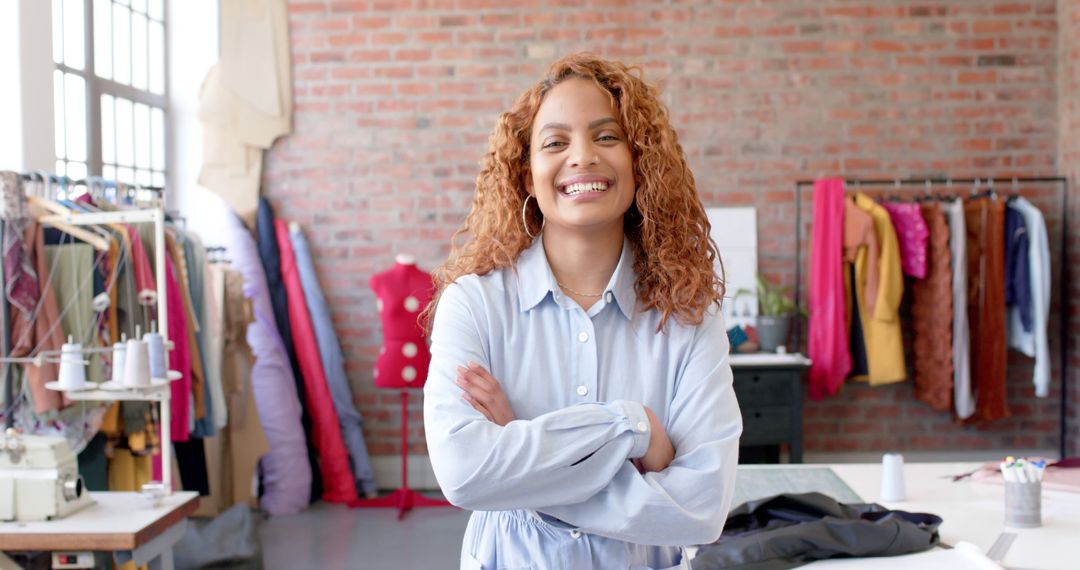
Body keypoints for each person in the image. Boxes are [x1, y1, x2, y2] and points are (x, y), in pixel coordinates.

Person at [423, 52, 742, 569]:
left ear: (640, 162)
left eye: (607, 136)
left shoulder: (687, 315)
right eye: (555, 142)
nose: (582, 157)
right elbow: (463, 473)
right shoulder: (474, 304)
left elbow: (702, 509)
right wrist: (633, 427)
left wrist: (522, 458)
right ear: (527, 174)